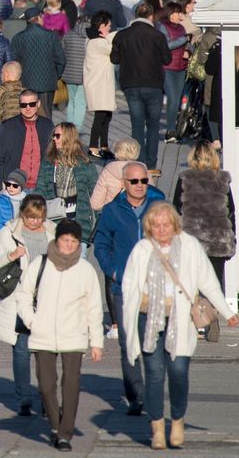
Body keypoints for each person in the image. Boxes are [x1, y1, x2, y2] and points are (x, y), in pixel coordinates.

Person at [120, 203, 238, 449]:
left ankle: (177, 419)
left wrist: (228, 312)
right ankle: (156, 427)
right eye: (156, 225)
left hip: (180, 318)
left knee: (178, 372)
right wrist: (127, 321)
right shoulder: (142, 249)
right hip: (148, 317)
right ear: (149, 226)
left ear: (175, 224)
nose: (162, 230)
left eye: (166, 225)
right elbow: (129, 287)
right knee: (153, 374)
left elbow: (208, 280)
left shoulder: (189, 247)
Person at [16, 219, 104, 451]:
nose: (68, 245)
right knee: (46, 386)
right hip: (43, 333)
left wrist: (96, 342)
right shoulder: (41, 263)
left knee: (71, 384)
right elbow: (24, 295)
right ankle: (56, 425)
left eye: (73, 241)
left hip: (74, 335)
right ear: (57, 240)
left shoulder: (85, 270)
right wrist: (32, 321)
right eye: (65, 240)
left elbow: (94, 307)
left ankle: (65, 433)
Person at [93, 162, 166, 417]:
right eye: (134, 181)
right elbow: (100, 245)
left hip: (153, 288)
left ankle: (154, 393)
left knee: (154, 344)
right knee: (129, 345)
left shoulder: (159, 207)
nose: (139, 186)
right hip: (122, 288)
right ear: (124, 184)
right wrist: (113, 271)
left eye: (143, 181)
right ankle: (136, 397)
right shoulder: (113, 210)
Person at [0, 194, 55, 416]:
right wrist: (12, 254)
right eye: (30, 217)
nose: (34, 222)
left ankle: (47, 398)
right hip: (21, 298)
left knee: (47, 352)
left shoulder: (53, 232)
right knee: (22, 350)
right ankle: (24, 398)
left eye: (38, 217)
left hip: (48, 297)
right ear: (22, 213)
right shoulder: (10, 232)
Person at [172, 141, 236, 307]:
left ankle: (196, 321)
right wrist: (231, 239)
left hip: (191, 240)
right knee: (214, 283)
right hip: (218, 240)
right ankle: (212, 316)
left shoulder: (185, 178)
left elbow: (177, 209)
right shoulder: (222, 180)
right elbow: (230, 211)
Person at [111, 3, 171, 175]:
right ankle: (151, 165)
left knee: (137, 125)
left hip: (131, 84)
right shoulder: (157, 36)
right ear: (151, 16)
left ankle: (140, 162)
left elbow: (114, 58)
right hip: (153, 84)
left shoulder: (122, 35)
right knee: (153, 125)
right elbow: (166, 59)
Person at [35, 123, 99, 237]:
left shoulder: (85, 165)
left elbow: (96, 196)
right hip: (52, 224)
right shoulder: (48, 162)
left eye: (58, 136)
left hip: (79, 224)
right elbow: (40, 191)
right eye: (53, 136)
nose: (54, 139)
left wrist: (100, 224)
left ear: (68, 138)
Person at [0, 89, 55, 196]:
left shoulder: (47, 125)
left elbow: (54, 157)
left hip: (41, 187)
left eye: (32, 104)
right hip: (15, 187)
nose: (28, 108)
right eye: (24, 105)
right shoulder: (6, 127)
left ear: (38, 104)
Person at [11, 7, 66, 116]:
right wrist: (56, 75)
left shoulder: (18, 38)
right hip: (47, 83)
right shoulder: (51, 36)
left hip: (26, 82)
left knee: (27, 113)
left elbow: (14, 62)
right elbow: (61, 60)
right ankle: (46, 133)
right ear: (38, 18)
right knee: (46, 114)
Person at [84, 12, 118, 158]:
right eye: (109, 26)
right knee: (100, 117)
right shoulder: (98, 42)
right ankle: (93, 146)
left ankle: (104, 146)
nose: (110, 28)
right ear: (102, 26)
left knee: (106, 115)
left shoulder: (93, 40)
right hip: (99, 86)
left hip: (101, 84)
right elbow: (113, 49)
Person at [156, 2, 191, 142]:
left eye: (180, 13)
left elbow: (188, 44)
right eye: (176, 13)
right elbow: (167, 45)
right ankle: (170, 131)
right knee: (173, 98)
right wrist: (184, 39)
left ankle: (176, 129)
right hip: (168, 67)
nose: (179, 15)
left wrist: (188, 50)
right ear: (169, 13)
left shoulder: (182, 28)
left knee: (177, 100)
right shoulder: (162, 27)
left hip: (181, 67)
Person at [90, 138, 142, 213]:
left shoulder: (108, 171)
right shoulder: (143, 171)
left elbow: (95, 204)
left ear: (117, 152)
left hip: (112, 216)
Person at [61, 16, 90, 133]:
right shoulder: (91, 36)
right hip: (85, 74)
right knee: (81, 102)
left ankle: (69, 125)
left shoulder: (68, 35)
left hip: (69, 73)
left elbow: (62, 53)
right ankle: (76, 128)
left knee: (72, 101)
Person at [0, 169, 33, 236]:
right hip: (5, 234)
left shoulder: (26, 201)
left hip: (21, 234)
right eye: (8, 184)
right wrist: (0, 234)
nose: (11, 187)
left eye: (15, 186)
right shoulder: (1, 201)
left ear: (21, 187)